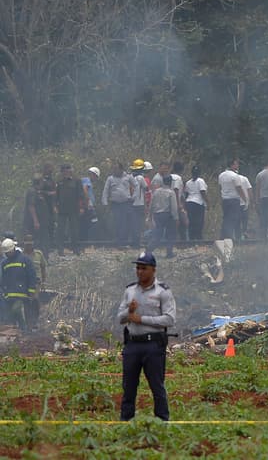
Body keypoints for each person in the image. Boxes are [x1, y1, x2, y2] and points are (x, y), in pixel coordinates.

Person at [117, 251, 176, 421]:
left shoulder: (162, 292)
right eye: (137, 268)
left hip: (153, 345)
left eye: (144, 268)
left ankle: (162, 421)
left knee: (157, 387)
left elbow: (169, 319)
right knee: (128, 387)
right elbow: (119, 318)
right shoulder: (130, 291)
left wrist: (141, 319)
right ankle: (126, 422)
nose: (140, 272)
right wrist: (130, 312)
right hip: (133, 345)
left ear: (153, 270)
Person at [1, 239, 37, 331]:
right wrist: (4, 291)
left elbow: (32, 275)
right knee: (10, 317)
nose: (7, 254)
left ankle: (25, 331)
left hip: (22, 295)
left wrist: (31, 291)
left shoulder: (25, 260)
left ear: (13, 249)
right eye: (6, 253)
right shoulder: (4, 263)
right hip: (9, 296)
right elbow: (4, 279)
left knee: (17, 310)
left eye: (8, 252)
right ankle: (16, 334)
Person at [147, 166, 180, 258]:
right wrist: (176, 218)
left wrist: (149, 216)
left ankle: (149, 249)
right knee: (170, 234)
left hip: (157, 215)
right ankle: (169, 253)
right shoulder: (171, 192)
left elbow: (151, 204)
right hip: (167, 215)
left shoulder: (156, 192)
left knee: (158, 234)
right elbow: (173, 207)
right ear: (170, 182)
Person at [55, 163, 84, 251]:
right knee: (61, 229)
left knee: (74, 229)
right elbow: (56, 196)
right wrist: (55, 206)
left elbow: (80, 195)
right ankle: (60, 249)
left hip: (74, 208)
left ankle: (75, 247)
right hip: (62, 209)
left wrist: (81, 207)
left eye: (67, 170)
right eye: (64, 171)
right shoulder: (59, 182)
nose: (66, 172)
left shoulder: (77, 181)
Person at [105, 162, 134, 246]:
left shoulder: (128, 177)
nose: (115, 170)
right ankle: (117, 240)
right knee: (116, 222)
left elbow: (136, 185)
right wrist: (105, 202)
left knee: (125, 222)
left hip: (126, 203)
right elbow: (106, 191)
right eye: (113, 168)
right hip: (115, 204)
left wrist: (134, 197)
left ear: (121, 169)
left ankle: (123, 241)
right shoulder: (110, 178)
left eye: (116, 168)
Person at [218, 160, 246, 241]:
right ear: (232, 165)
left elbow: (220, 187)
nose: (237, 165)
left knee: (226, 218)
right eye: (236, 164)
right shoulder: (234, 175)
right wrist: (245, 199)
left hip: (225, 200)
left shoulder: (221, 175)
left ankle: (223, 236)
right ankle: (229, 236)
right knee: (233, 218)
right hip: (234, 200)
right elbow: (239, 188)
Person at [183, 165, 207, 241]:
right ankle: (198, 237)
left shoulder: (188, 182)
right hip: (198, 203)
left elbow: (186, 194)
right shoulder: (201, 181)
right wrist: (207, 202)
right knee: (199, 222)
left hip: (189, 203)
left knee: (191, 222)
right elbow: (202, 192)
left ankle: (191, 238)